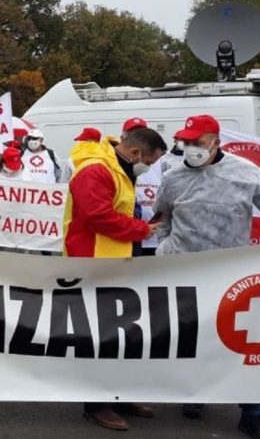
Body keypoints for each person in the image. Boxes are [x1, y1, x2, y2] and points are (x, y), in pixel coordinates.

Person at [153, 115, 260, 439]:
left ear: (216, 142)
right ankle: (198, 395)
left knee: (243, 343)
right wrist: (164, 249)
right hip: (186, 270)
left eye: (198, 142)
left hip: (231, 272)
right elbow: (162, 218)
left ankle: (252, 412)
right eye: (186, 142)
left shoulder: (245, 172)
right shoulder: (173, 177)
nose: (191, 148)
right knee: (194, 338)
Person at [63, 127, 166, 432]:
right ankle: (96, 405)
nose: (150, 168)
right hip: (93, 262)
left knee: (123, 335)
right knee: (102, 337)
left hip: (115, 260)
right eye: (150, 161)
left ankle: (118, 396)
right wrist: (140, 230)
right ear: (135, 153)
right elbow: (97, 216)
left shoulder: (118, 167)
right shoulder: (95, 170)